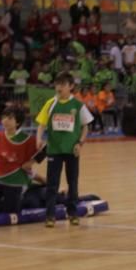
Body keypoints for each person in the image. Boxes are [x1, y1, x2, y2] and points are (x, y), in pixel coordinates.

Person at [35, 72, 93, 226]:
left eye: (63, 84)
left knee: (72, 183)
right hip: (54, 150)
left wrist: (80, 143)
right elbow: (41, 124)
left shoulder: (78, 105)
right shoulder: (50, 103)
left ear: (71, 86)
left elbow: (85, 127)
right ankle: (50, 216)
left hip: (72, 151)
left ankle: (73, 213)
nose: (59, 87)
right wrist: (38, 138)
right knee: (52, 185)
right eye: (57, 84)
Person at [0, 107, 43, 214]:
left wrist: (31, 162)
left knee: (10, 212)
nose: (5, 120)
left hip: (15, 183)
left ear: (17, 122)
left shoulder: (27, 139)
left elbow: (46, 149)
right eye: (4, 117)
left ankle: (38, 193)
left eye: (9, 118)